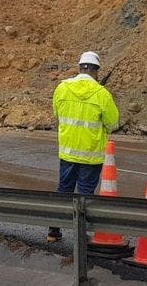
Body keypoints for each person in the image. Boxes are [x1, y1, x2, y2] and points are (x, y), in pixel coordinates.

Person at [47, 51, 120, 243]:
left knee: (64, 189)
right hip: (91, 154)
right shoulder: (102, 94)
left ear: (80, 67)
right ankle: (81, 234)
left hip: (68, 152)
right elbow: (113, 123)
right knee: (85, 194)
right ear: (96, 71)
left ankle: (53, 230)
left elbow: (57, 113)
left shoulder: (61, 88)